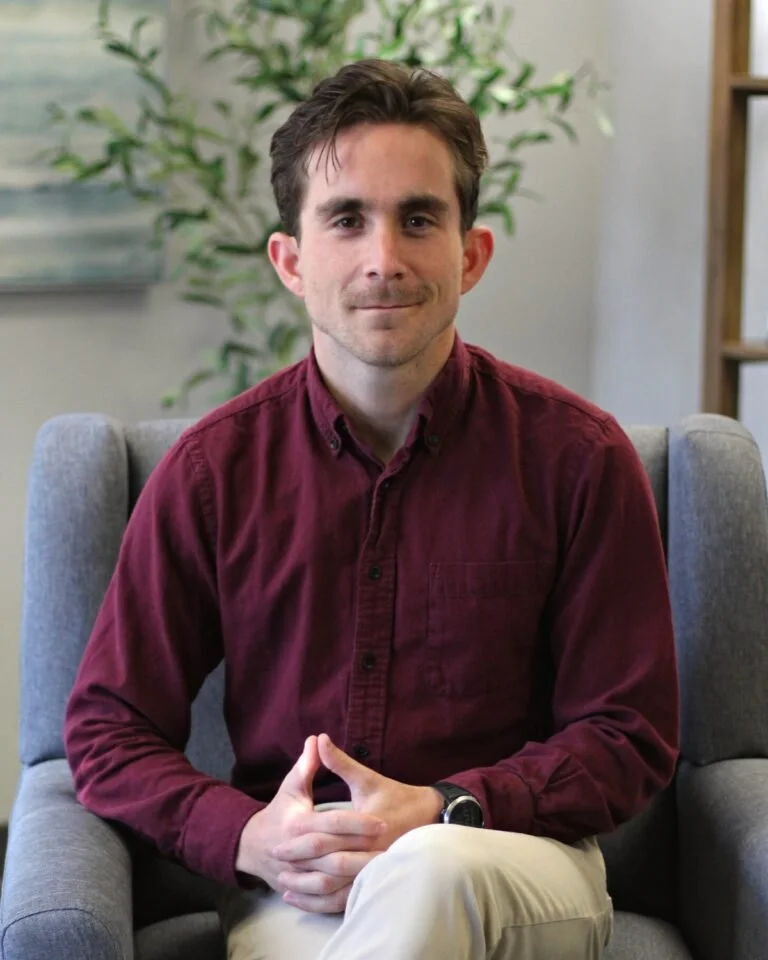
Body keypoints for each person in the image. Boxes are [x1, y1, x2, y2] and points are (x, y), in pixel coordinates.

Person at [65, 58, 679, 960]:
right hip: (300, 891)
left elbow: (630, 736)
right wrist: (247, 838)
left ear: (471, 253)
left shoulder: (580, 460)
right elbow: (107, 727)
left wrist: (443, 808)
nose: (383, 259)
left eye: (418, 218)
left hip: (513, 864)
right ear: (291, 259)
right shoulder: (210, 476)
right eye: (346, 219)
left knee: (427, 871)